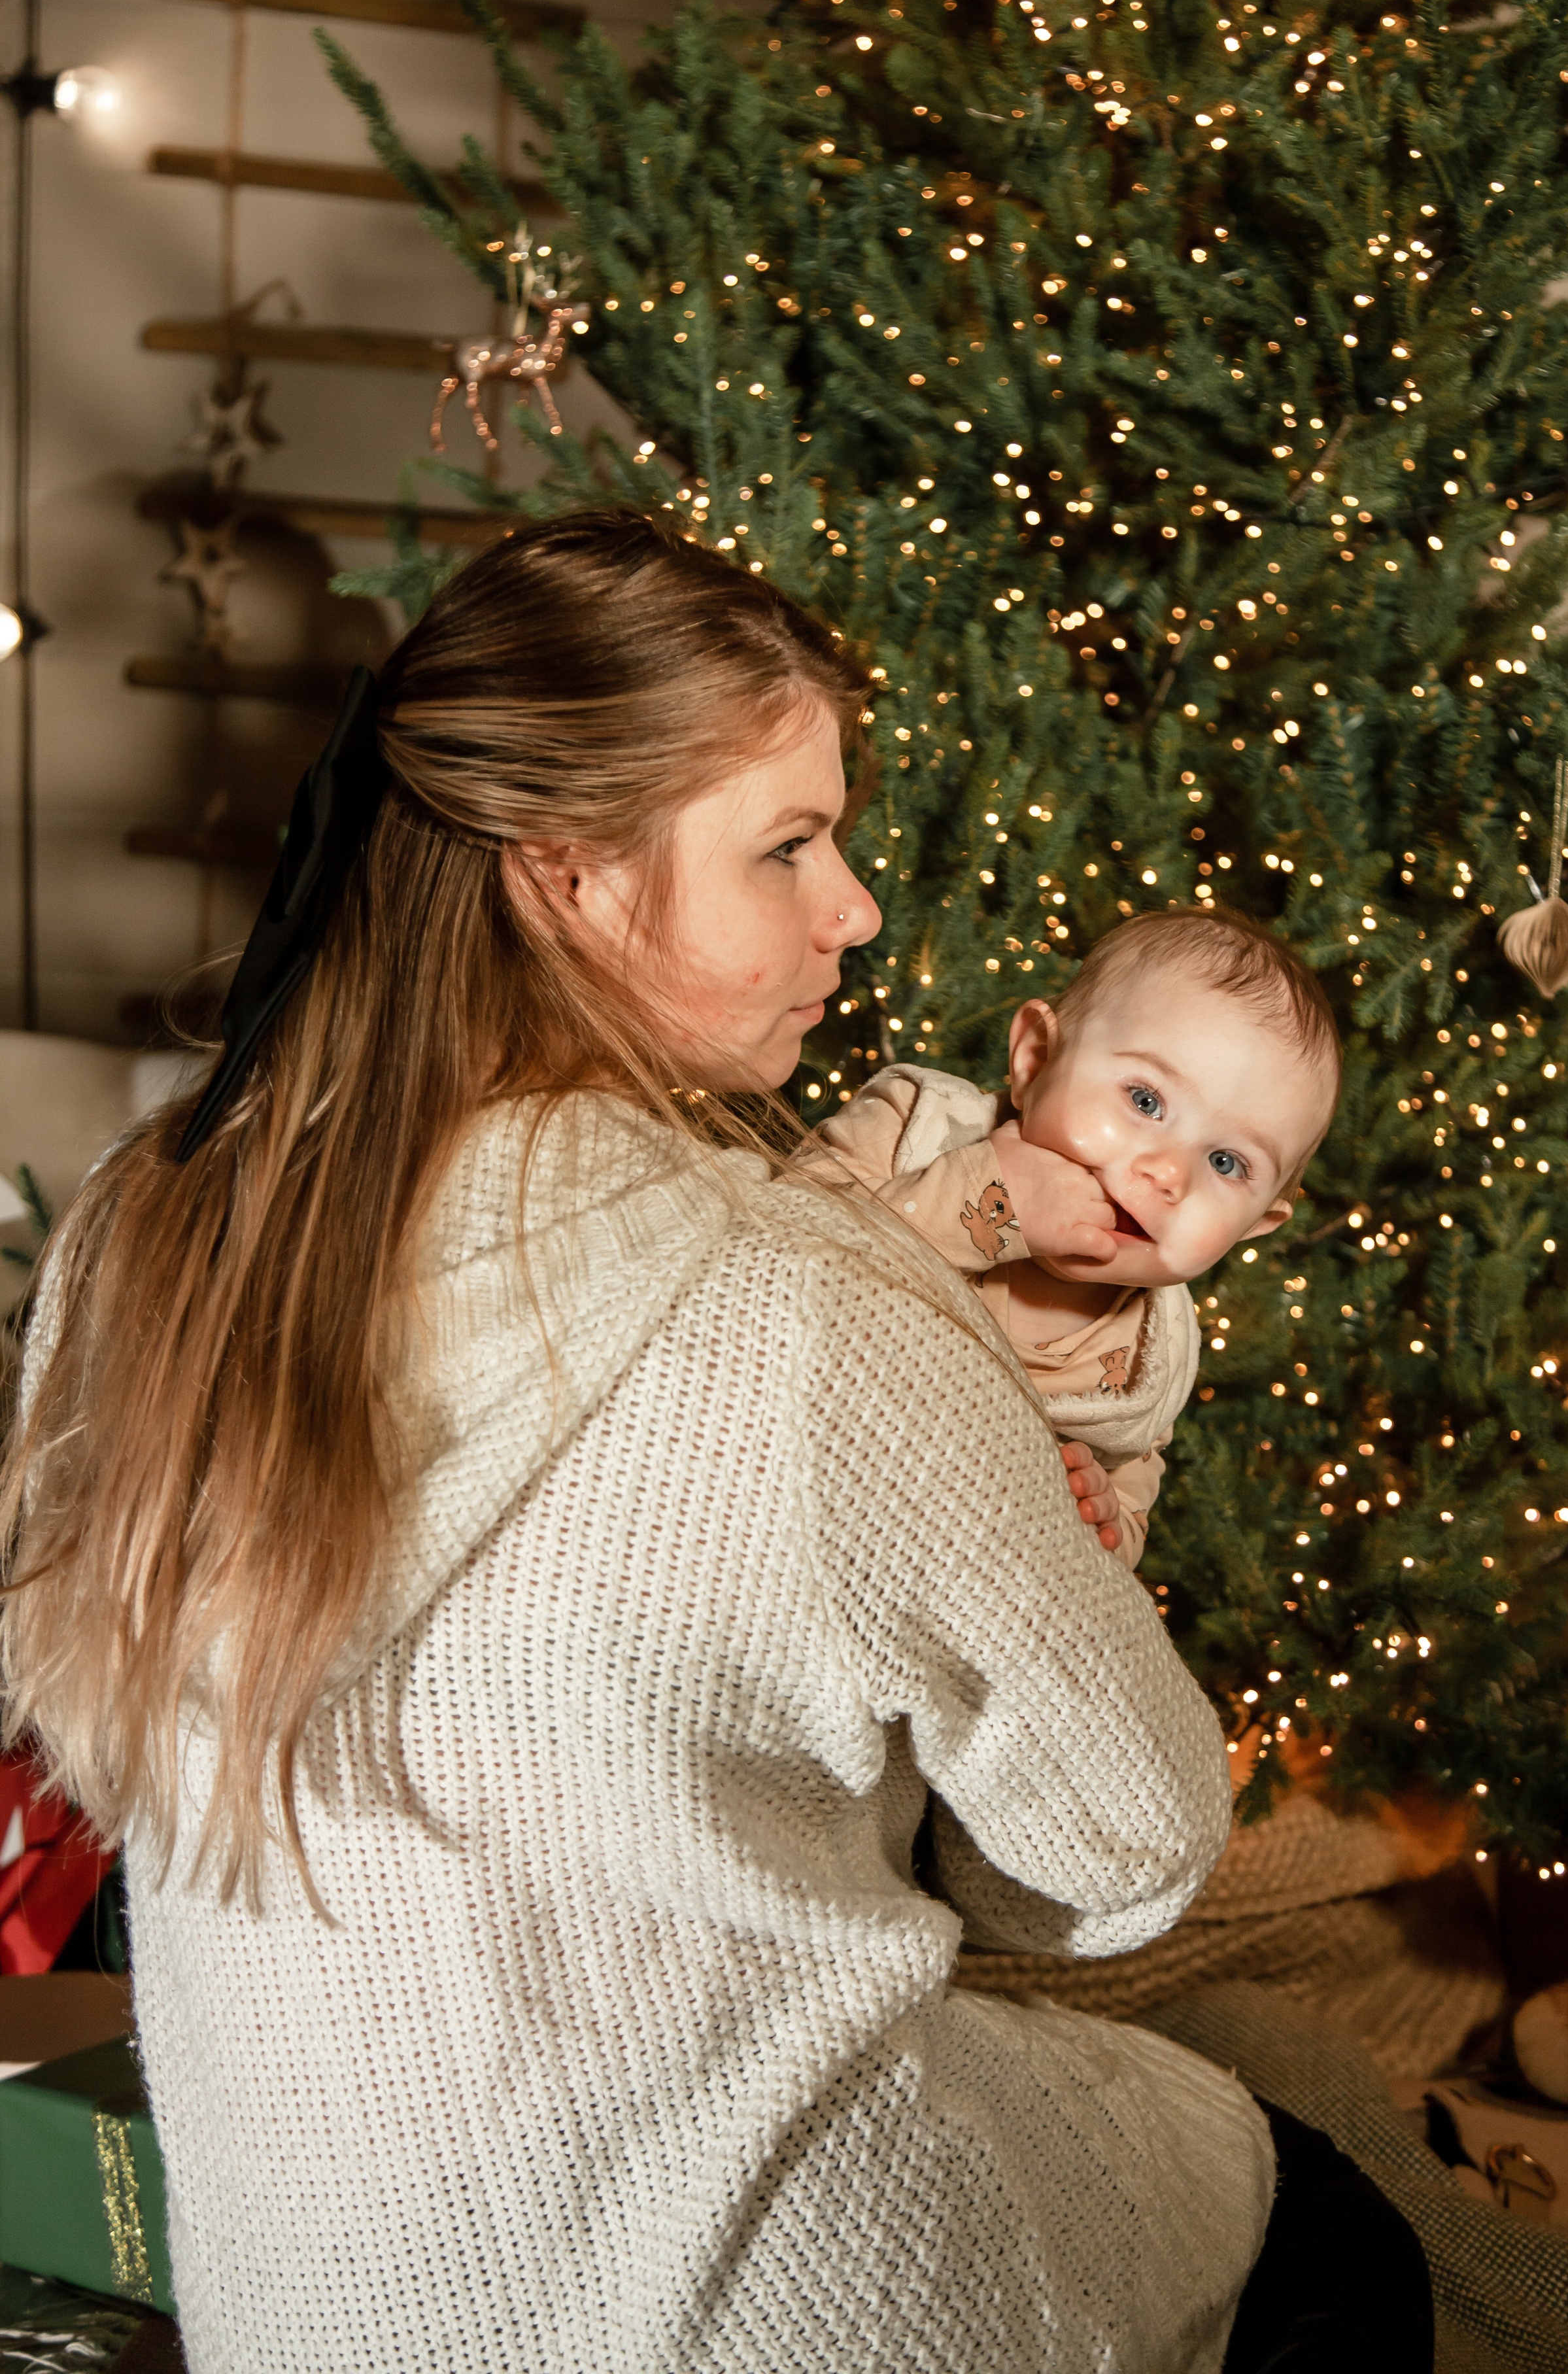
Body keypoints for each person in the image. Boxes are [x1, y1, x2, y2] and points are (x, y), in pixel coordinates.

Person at [1, 513, 1427, 2372]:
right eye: (789, 848)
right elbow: (1116, 1856)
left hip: (304, 2309)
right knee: (1335, 2232)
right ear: (574, 876)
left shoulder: (141, 1220)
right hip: (723, 2306)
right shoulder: (806, 1305)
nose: (857, 911)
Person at [798, 911, 1341, 1568]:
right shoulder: (913, 1130)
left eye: (1226, 1163)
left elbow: (1119, 1529)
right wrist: (985, 1200)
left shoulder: (1153, 1359)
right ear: (1035, 1061)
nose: (1168, 1174)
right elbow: (775, 1249)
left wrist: (1104, 1520)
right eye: (1145, 1100)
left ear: (1254, 1226)